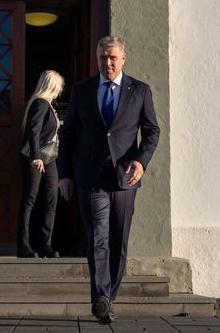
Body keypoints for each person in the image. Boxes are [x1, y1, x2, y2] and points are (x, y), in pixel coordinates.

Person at [58, 36, 160, 324]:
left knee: (118, 239)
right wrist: (65, 174)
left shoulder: (139, 91)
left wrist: (141, 161)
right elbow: (68, 135)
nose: (108, 63)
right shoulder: (82, 90)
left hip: (125, 177)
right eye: (103, 57)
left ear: (123, 59)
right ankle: (101, 296)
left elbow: (152, 131)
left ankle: (109, 296)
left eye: (113, 57)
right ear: (97, 59)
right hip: (91, 176)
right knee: (98, 238)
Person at [17, 69, 65, 258]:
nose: (61, 89)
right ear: (53, 85)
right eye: (60, 85)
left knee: (51, 199)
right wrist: (35, 157)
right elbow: (33, 132)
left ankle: (45, 245)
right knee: (29, 199)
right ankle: (23, 246)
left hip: (50, 158)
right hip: (35, 157)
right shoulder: (40, 103)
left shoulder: (49, 106)